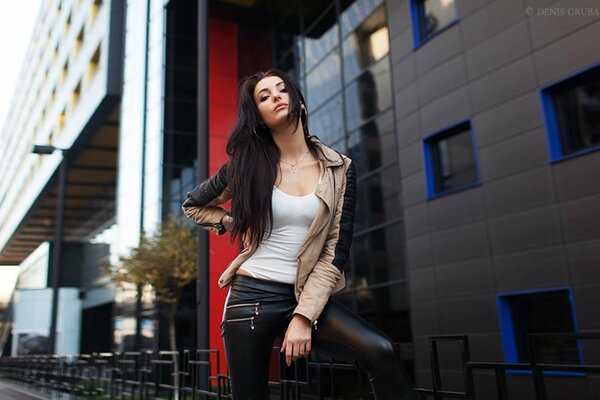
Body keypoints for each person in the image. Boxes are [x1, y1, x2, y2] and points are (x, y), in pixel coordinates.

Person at [182, 69, 416, 400]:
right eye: (264, 96)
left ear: (298, 101)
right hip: (251, 299)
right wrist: (235, 222)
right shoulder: (246, 166)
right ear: (259, 118)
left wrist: (304, 316)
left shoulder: (339, 168)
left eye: (282, 89)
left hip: (304, 293)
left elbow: (336, 251)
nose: (276, 96)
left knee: (380, 351)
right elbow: (193, 205)